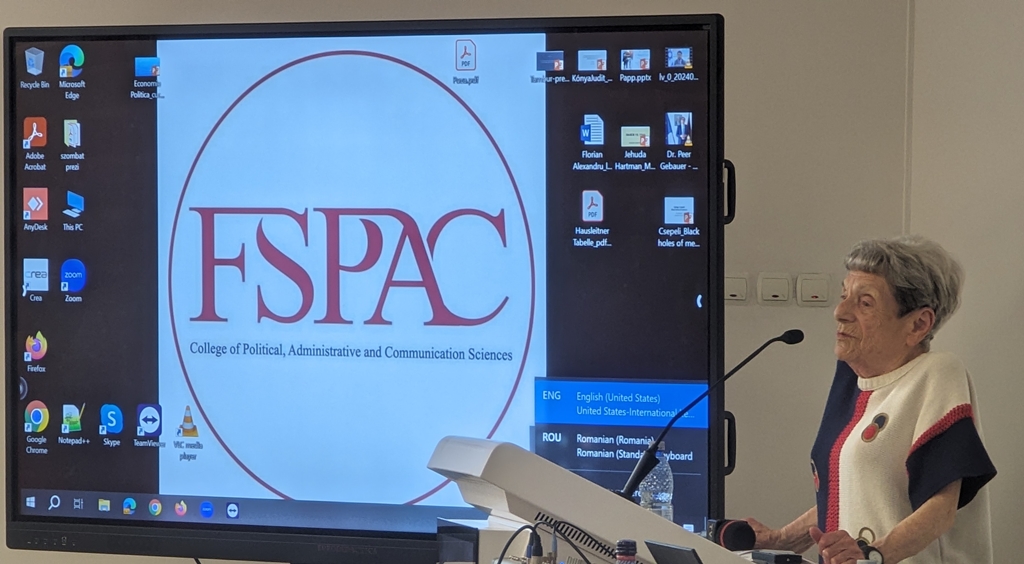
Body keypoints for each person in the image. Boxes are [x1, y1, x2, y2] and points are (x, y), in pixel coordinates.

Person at [746, 236, 996, 564]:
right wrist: (782, 539)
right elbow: (849, 491)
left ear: (918, 324)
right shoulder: (853, 380)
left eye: (865, 303)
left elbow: (941, 507)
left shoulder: (937, 373)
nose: (840, 312)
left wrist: (874, 554)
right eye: (844, 296)